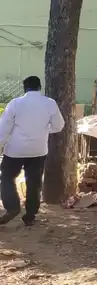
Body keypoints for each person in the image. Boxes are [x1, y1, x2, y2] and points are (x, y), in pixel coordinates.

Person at [0, 76, 65, 226]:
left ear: (24, 88)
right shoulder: (50, 103)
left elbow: (4, 128)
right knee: (34, 182)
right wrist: (44, 130)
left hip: (15, 150)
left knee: (7, 177)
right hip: (38, 150)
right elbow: (59, 126)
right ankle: (30, 216)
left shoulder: (15, 103)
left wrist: (1, 143)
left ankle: (13, 206)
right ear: (39, 87)